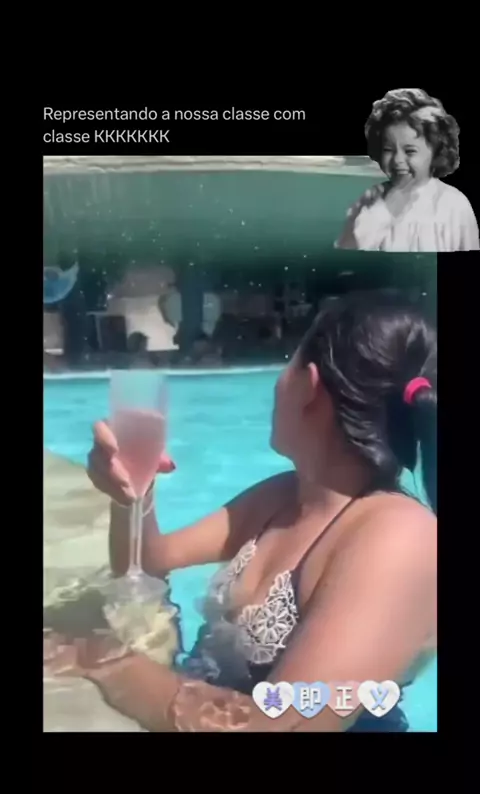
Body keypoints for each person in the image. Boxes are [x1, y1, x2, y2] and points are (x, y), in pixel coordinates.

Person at [44, 290, 437, 733]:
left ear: (308, 385)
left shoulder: (400, 539)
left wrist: (101, 658)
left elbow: (279, 728)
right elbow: (147, 564)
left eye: (288, 362)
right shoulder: (283, 497)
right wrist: (132, 494)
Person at [335, 88, 479, 252]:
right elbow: (347, 252)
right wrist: (383, 210)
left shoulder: (454, 204)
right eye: (388, 149)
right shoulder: (371, 198)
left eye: (410, 151)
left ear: (436, 152)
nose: (397, 160)